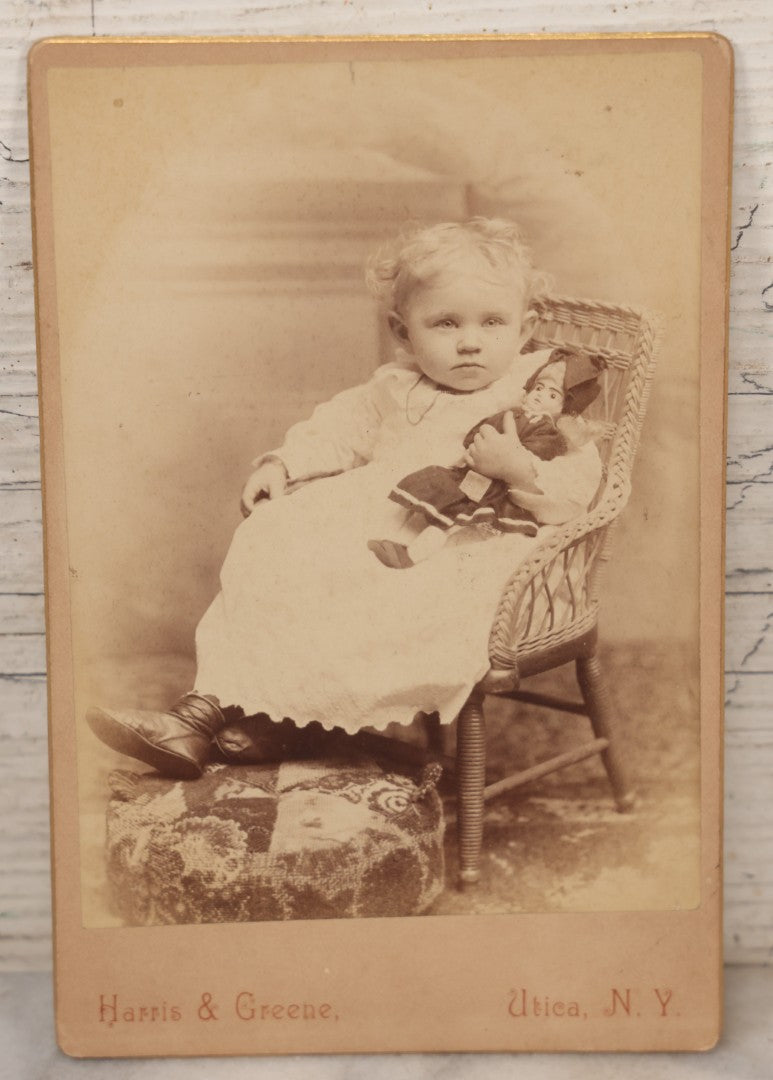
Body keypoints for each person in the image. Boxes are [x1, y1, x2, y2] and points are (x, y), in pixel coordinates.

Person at [87, 218, 603, 780]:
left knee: (358, 581)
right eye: (445, 323)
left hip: (470, 552)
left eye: (492, 321)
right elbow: (338, 429)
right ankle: (206, 711)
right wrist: (283, 462)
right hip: (381, 521)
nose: (470, 341)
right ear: (403, 332)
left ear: (525, 329)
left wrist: (519, 469)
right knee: (275, 536)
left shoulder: (537, 397)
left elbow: (578, 490)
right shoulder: (395, 386)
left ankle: (276, 720)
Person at [368, 348, 606, 568]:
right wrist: (474, 440)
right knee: (437, 485)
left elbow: (535, 456)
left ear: (564, 408)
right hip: (475, 470)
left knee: (456, 512)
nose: (540, 396)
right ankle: (399, 539)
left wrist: (509, 458)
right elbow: (483, 426)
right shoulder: (511, 412)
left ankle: (412, 555)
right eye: (539, 388)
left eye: (552, 395)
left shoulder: (548, 432)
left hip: (497, 486)